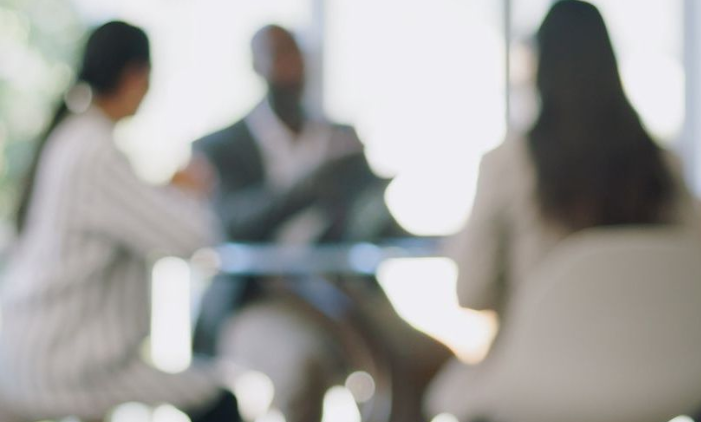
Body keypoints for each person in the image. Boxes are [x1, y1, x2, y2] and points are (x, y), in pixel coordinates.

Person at [424, 2, 701, 420]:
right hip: (663, 381)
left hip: (541, 381)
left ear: (540, 68)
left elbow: (471, 291)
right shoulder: (664, 163)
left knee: (437, 390)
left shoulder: (511, 163)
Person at [192, 25, 449, 422]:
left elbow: (376, 224)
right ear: (256, 67)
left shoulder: (339, 137)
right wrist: (311, 185)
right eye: (278, 55)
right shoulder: (222, 146)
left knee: (423, 357)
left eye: (296, 54)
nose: (291, 66)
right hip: (259, 299)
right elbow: (233, 225)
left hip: (343, 291)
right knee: (303, 366)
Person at [0, 21, 241, 422]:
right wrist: (188, 191)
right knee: (215, 398)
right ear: (136, 76)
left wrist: (161, 189)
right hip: (59, 363)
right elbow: (192, 237)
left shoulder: (71, 136)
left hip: (36, 348)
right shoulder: (94, 149)